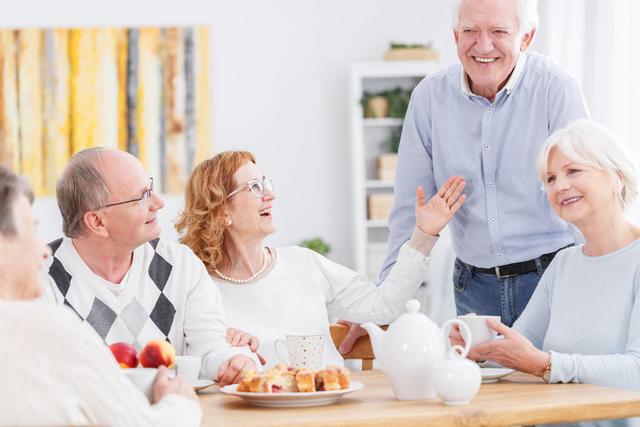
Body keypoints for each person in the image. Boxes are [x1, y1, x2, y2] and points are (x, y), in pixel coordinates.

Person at [380, 0, 590, 324]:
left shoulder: (555, 89)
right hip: (474, 289)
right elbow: (409, 212)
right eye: (470, 31)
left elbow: (585, 196)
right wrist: (383, 306)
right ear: (455, 36)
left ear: (526, 38)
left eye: (498, 31)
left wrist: (599, 285)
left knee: (553, 374)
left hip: (552, 279)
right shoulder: (428, 99)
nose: (483, 45)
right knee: (478, 378)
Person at [175, 151, 465, 367]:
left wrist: (423, 234)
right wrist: (218, 348)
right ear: (221, 210)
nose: (271, 195)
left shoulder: (303, 263)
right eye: (254, 187)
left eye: (267, 183)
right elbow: (191, 362)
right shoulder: (197, 288)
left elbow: (383, 306)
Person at [452, 120, 640, 427]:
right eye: (550, 178)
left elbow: (636, 372)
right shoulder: (564, 263)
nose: (559, 186)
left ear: (617, 177)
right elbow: (520, 347)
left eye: (573, 171)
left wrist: (549, 365)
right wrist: (478, 349)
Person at [0, 166, 201, 426]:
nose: (44, 250)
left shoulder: (179, 263)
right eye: (31, 231)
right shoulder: (45, 327)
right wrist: (180, 403)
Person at [42, 147, 258, 386]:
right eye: (142, 196)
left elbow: (210, 347)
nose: (159, 203)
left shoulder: (180, 265)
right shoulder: (39, 277)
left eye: (151, 189)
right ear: (97, 221)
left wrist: (233, 361)